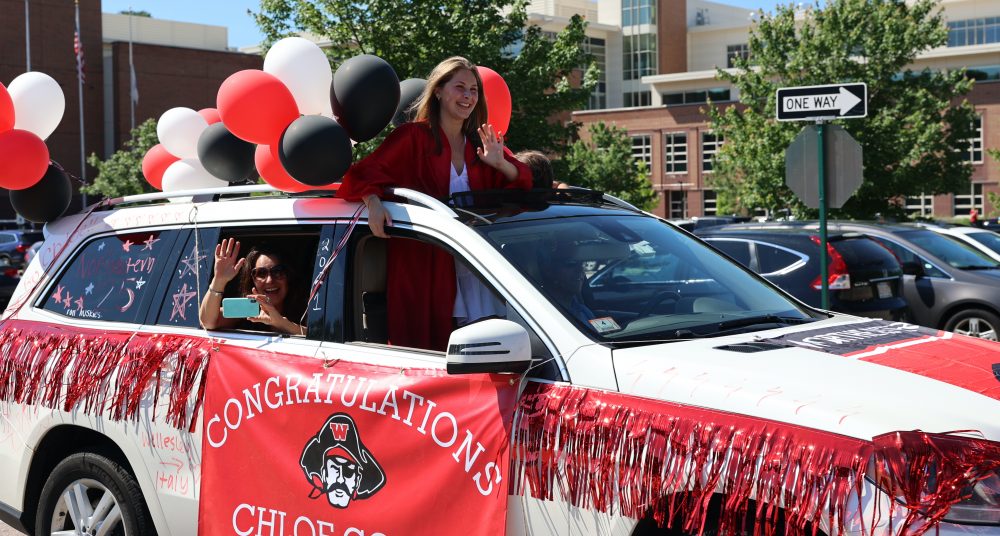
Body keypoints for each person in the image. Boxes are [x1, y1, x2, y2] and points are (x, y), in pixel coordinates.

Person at [338, 56, 532, 350]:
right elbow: (360, 174)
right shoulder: (411, 138)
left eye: (474, 90)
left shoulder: (482, 144)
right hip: (425, 270)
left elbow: (525, 189)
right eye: (459, 87)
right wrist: (373, 201)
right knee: (431, 357)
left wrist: (500, 163)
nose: (468, 96)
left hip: (477, 270)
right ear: (438, 91)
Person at [199, 237, 306, 335]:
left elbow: (317, 337)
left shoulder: (307, 309)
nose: (269, 280)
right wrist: (219, 280)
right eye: (261, 273)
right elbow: (208, 322)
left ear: (288, 275)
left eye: (277, 272)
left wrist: (280, 322)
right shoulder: (248, 309)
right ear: (252, 280)